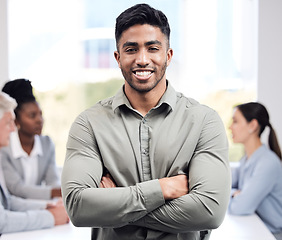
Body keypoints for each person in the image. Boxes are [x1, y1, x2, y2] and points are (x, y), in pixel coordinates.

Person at [61, 3, 231, 240]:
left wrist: (116, 204)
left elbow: (209, 211)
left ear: (168, 55)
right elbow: (78, 207)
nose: (142, 59)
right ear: (118, 58)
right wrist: (164, 189)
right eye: (131, 49)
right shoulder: (89, 124)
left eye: (152, 48)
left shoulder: (204, 121)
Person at [0, 92, 69, 234]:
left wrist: (47, 206)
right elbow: (3, 221)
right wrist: (51, 216)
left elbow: (7, 201)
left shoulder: (46, 143)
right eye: (8, 122)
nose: (12, 128)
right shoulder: (5, 151)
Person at [229, 102, 282, 240]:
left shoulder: (267, 163)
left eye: (235, 121)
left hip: (272, 235)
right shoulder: (246, 159)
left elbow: (240, 207)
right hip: (256, 229)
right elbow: (224, 185)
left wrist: (237, 196)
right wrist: (235, 193)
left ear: (252, 125)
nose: (230, 127)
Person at [1, 79, 61, 200]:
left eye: (40, 114)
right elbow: (17, 189)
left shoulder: (47, 144)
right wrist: (57, 192)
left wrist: (57, 203)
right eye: (32, 115)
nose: (40, 120)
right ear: (16, 120)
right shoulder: (5, 147)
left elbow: (53, 181)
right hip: (14, 211)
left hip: (39, 208)